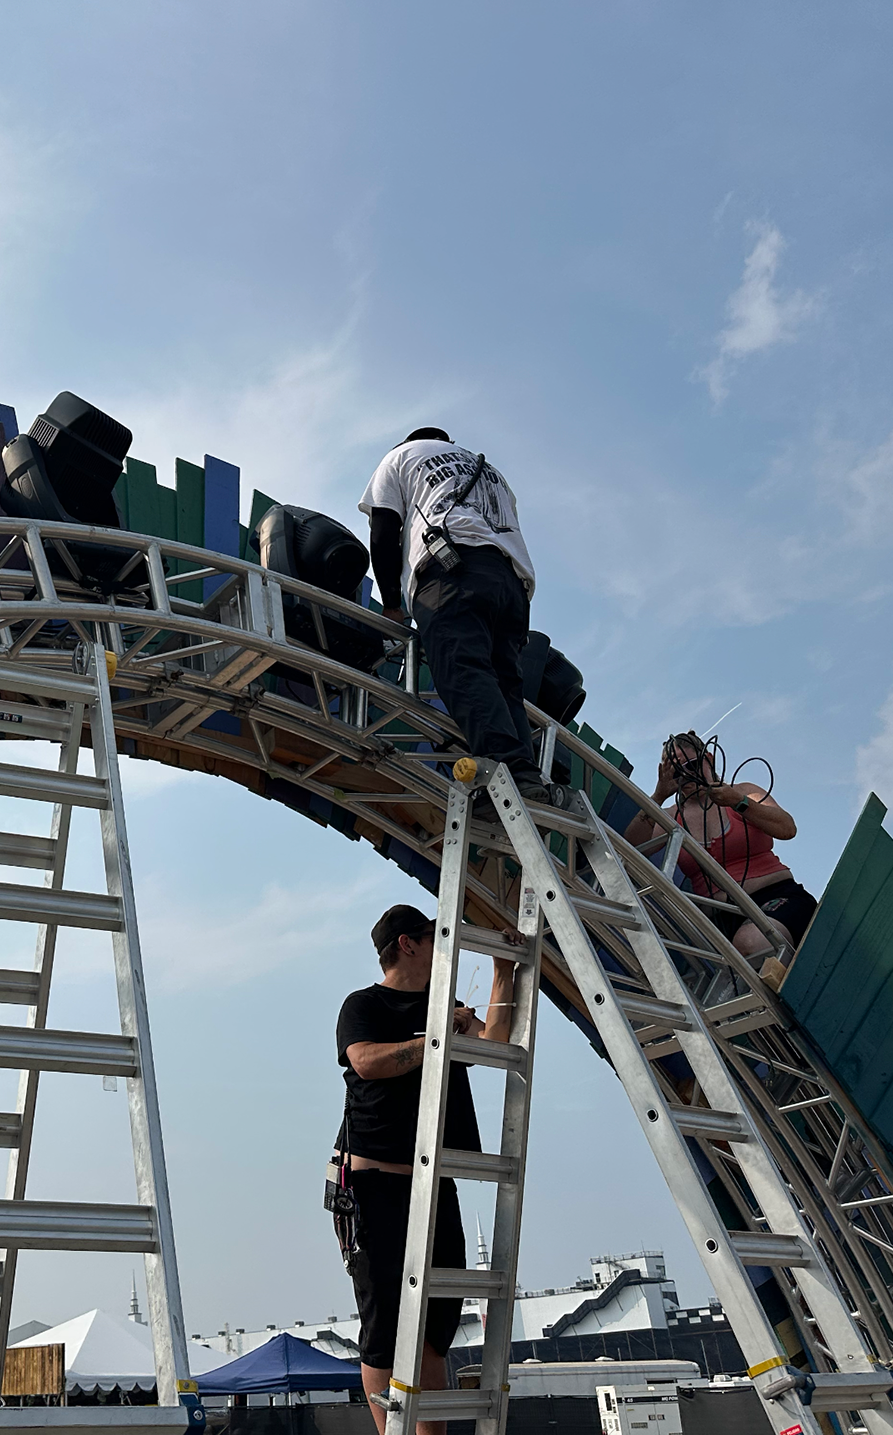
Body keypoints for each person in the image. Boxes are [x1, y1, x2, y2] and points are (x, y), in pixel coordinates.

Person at [333, 904, 521, 1435]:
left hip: (434, 1179)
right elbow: (366, 1060)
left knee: (435, 1325)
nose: (445, 949)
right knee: (385, 1325)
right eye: (433, 938)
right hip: (374, 1186)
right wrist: (437, 1038)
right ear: (407, 944)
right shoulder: (363, 1003)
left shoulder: (445, 1005)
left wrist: (503, 973)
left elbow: (495, 1047)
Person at [359, 429, 566, 809]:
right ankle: (527, 777)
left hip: (452, 572)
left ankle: (506, 774)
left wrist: (392, 603)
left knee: (462, 667)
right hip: (512, 586)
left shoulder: (400, 459)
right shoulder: (491, 473)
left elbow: (384, 528)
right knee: (506, 686)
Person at [622, 731, 816, 985]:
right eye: (678, 772)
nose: (688, 776)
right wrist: (658, 797)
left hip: (776, 898)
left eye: (692, 766)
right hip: (723, 921)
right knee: (739, 955)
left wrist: (739, 803)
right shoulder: (671, 816)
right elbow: (631, 846)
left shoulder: (742, 791)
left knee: (750, 943)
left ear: (709, 759)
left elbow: (786, 828)